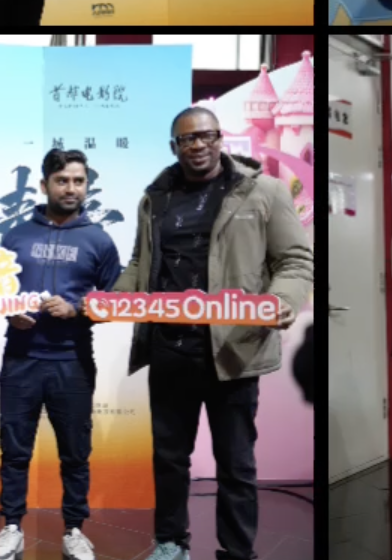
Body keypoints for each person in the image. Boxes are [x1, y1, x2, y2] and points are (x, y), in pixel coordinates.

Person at [110, 108, 314, 560]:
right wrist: (114, 300)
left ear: (221, 139)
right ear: (174, 146)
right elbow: (141, 264)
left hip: (233, 350)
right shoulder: (155, 198)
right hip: (169, 348)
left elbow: (295, 261)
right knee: (169, 458)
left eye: (207, 136)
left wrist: (281, 301)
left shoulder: (263, 190)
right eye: (187, 139)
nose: (198, 145)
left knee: (236, 463)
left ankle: (237, 551)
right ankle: (170, 544)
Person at [0, 149, 120, 560]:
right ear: (44, 185)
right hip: (21, 359)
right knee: (15, 451)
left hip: (73, 361)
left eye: (78, 181)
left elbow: (116, 301)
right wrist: (9, 311)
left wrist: (78, 308)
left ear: (87, 186)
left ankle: (74, 530)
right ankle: (11, 526)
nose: (71, 188)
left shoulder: (99, 240)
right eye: (62, 180)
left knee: (75, 453)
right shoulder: (15, 236)